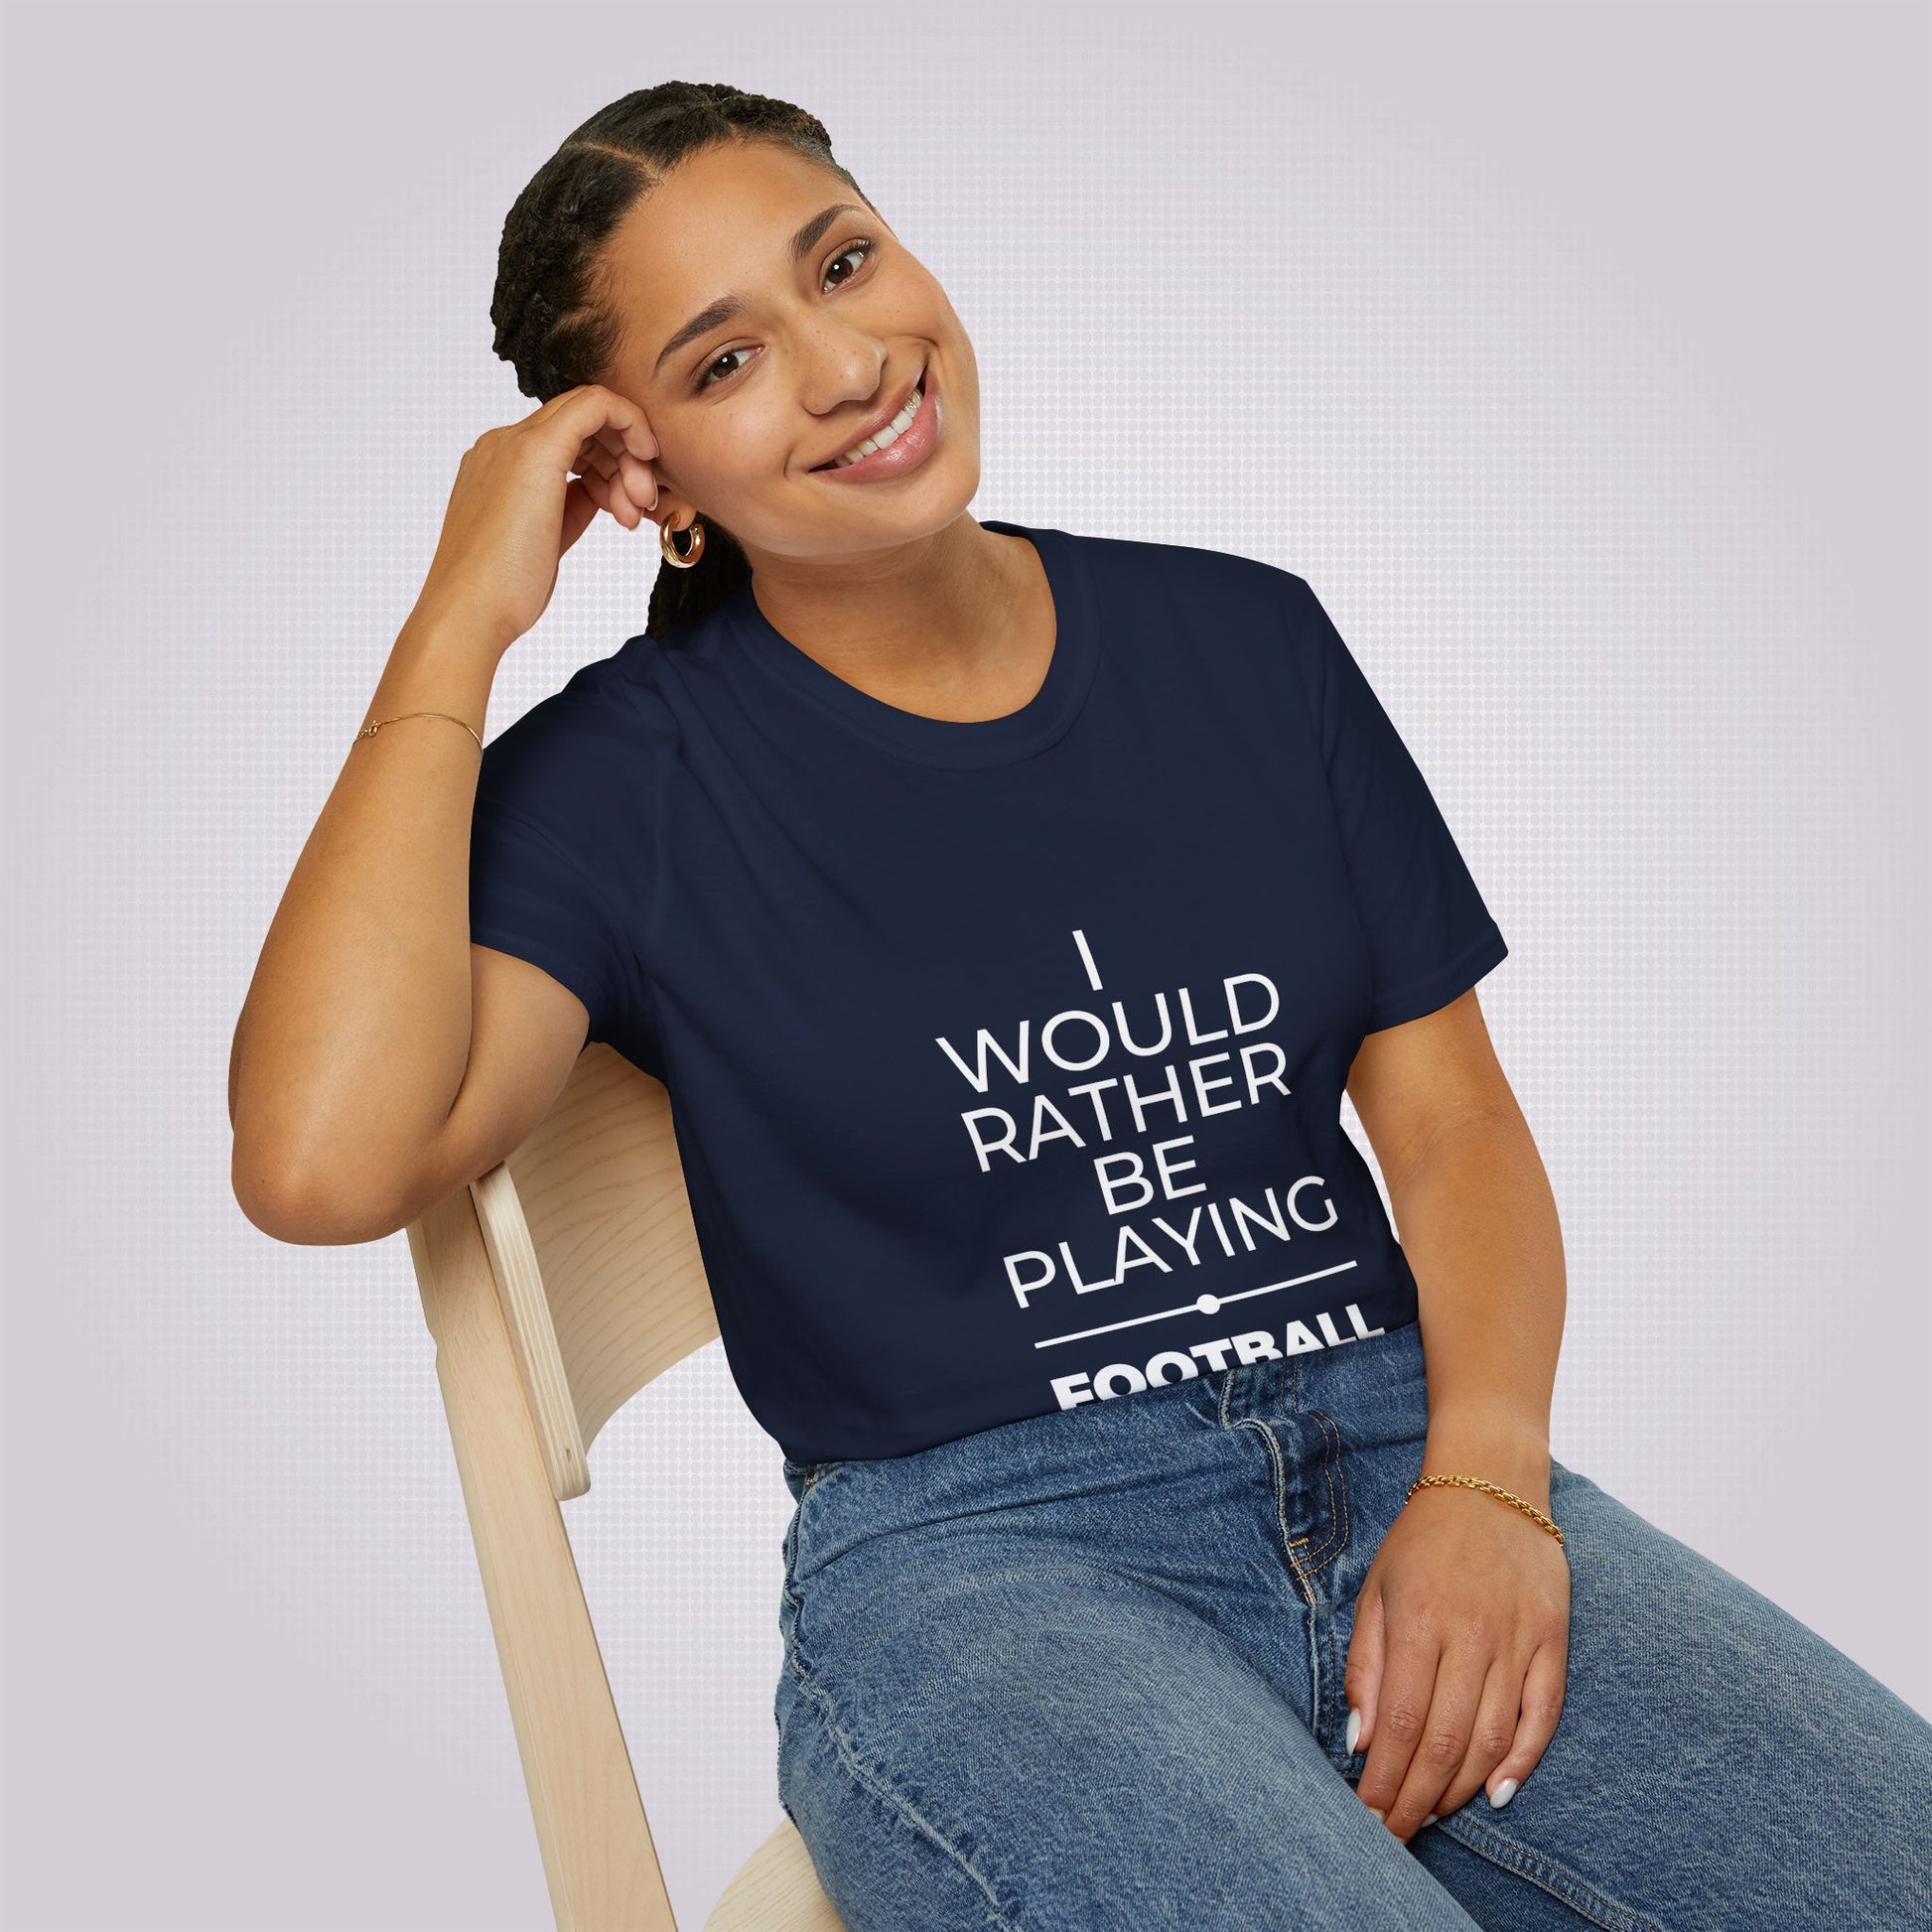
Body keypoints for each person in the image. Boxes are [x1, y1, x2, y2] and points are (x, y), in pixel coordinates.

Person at [228, 80, 1932, 1932]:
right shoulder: (627, 780)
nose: (847, 362)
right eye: (724, 363)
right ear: (647, 481)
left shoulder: (1245, 641)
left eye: (845, 262)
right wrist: (456, 620)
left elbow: (1450, 1129)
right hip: (984, 1565)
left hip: (1403, 1446)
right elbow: (321, 1160)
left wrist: (1490, 1484)